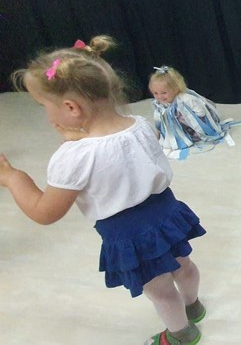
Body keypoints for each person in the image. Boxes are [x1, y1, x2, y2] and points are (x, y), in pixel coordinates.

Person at [0, 36, 207, 345]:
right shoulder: (140, 125)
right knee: (184, 266)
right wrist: (78, 138)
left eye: (44, 107)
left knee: (160, 290)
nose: (47, 115)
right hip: (168, 214)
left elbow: (45, 212)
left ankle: (182, 334)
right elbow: (119, 156)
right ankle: (194, 306)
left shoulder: (73, 157)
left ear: (71, 108)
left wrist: (13, 177)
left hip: (129, 234)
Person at [149, 66, 238, 160]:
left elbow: (201, 113)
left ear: (176, 88)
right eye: (155, 93)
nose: (159, 97)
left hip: (192, 127)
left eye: (164, 93)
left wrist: (189, 120)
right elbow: (159, 119)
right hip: (177, 128)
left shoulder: (185, 99)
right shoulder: (159, 104)